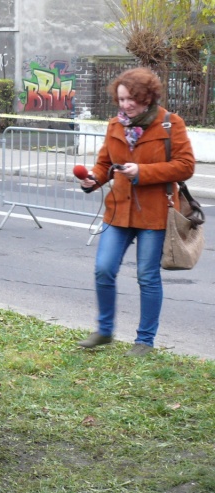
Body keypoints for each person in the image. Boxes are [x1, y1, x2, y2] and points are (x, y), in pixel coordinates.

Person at [76, 67, 195, 357]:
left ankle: (144, 341)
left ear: (147, 97)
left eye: (131, 99)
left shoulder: (170, 124)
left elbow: (185, 166)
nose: (125, 106)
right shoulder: (115, 124)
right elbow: (105, 164)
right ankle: (104, 331)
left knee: (147, 276)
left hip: (155, 214)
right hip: (119, 212)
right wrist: (93, 178)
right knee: (104, 268)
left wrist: (143, 171)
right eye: (121, 99)